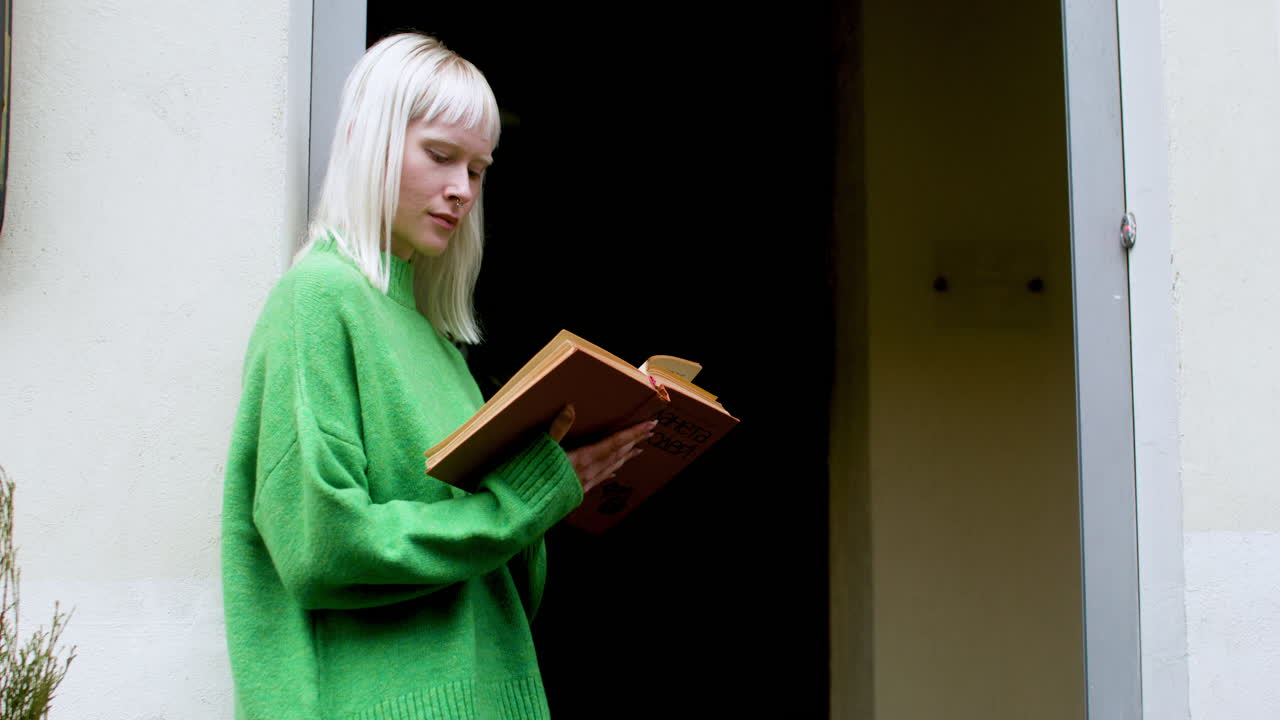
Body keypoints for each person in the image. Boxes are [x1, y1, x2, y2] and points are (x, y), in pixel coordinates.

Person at [220, 33, 650, 720]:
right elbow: (322, 546)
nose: (462, 191)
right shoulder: (318, 300)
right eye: (441, 156)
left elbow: (484, 566)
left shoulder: (436, 340)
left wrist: (562, 484)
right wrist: (524, 500)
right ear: (367, 139)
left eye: (478, 169)